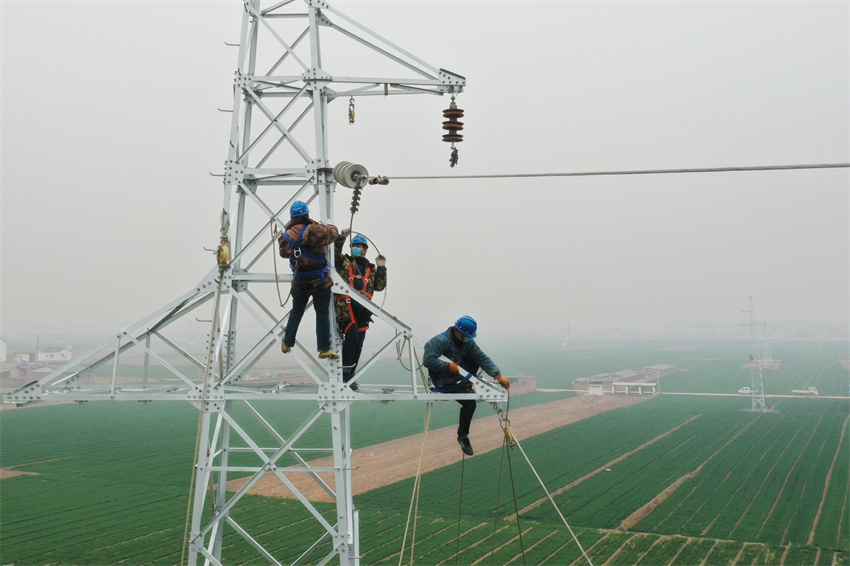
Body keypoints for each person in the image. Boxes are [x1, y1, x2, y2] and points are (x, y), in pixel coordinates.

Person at [423, 316, 510, 456]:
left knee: (474, 357)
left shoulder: (467, 343)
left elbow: (481, 357)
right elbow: (427, 361)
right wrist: (447, 367)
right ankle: (463, 436)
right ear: (458, 332)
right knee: (470, 404)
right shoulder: (438, 342)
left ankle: (466, 384)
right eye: (467, 336)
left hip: (457, 374)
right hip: (443, 379)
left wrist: (497, 375)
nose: (469, 339)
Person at [278, 200, 340, 359]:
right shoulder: (315, 230)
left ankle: (287, 342)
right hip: (320, 280)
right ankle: (324, 348)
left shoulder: (286, 235)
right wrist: (330, 225)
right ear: (307, 214)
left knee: (296, 312)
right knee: (322, 313)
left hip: (300, 281)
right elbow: (333, 235)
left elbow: (284, 253)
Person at [334, 230, 387, 390]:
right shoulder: (345, 262)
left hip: (362, 310)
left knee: (358, 344)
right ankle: (344, 375)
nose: (356, 248)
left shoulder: (370, 269)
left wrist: (382, 268)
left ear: (365, 249)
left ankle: (350, 376)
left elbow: (379, 286)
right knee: (352, 334)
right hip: (346, 308)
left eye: (359, 246)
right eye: (354, 246)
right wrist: (341, 238)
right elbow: (335, 254)